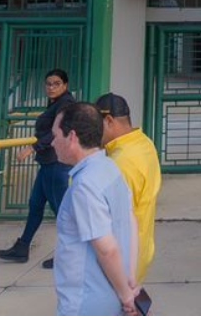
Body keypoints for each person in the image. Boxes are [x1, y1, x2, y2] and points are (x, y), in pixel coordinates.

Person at [51, 101, 140, 317]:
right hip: (112, 293)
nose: (52, 143)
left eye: (55, 136)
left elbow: (106, 248)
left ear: (72, 137)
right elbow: (131, 223)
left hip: (87, 302)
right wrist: (129, 280)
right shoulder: (110, 168)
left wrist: (127, 297)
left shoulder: (85, 185)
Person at [0, 68, 76, 264]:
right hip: (48, 163)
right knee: (35, 205)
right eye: (48, 84)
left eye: (56, 84)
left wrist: (33, 148)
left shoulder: (66, 104)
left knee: (61, 212)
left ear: (65, 85)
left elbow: (57, 131)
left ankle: (69, 255)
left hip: (57, 164)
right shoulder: (56, 103)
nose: (51, 87)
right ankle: (22, 247)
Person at [95, 93, 161, 284]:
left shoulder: (122, 162)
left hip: (123, 261)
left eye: (96, 126)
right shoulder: (144, 143)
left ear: (108, 121)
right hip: (141, 249)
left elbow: (115, 220)